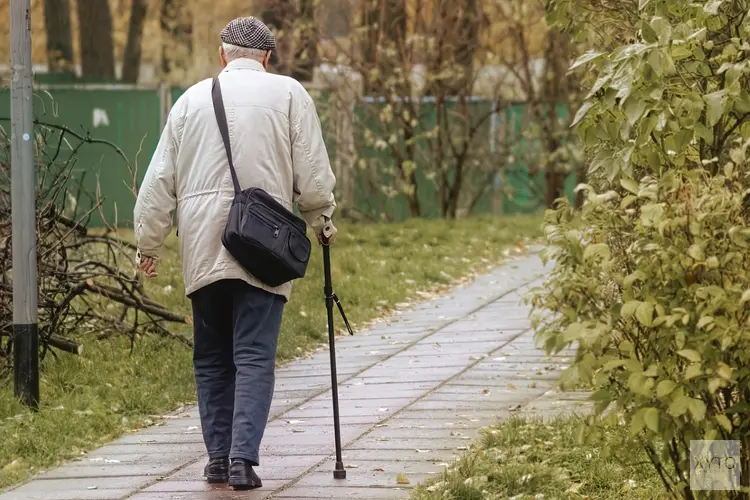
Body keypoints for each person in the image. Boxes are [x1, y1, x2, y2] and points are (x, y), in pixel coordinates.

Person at [133, 16, 338, 490]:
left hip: (204, 244)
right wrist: (321, 220)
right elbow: (311, 171)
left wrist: (149, 243)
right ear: (267, 59)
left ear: (222, 56)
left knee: (210, 358)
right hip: (262, 244)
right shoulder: (289, 94)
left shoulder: (188, 101)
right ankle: (243, 461)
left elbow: (158, 180)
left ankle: (216, 460)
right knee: (254, 355)